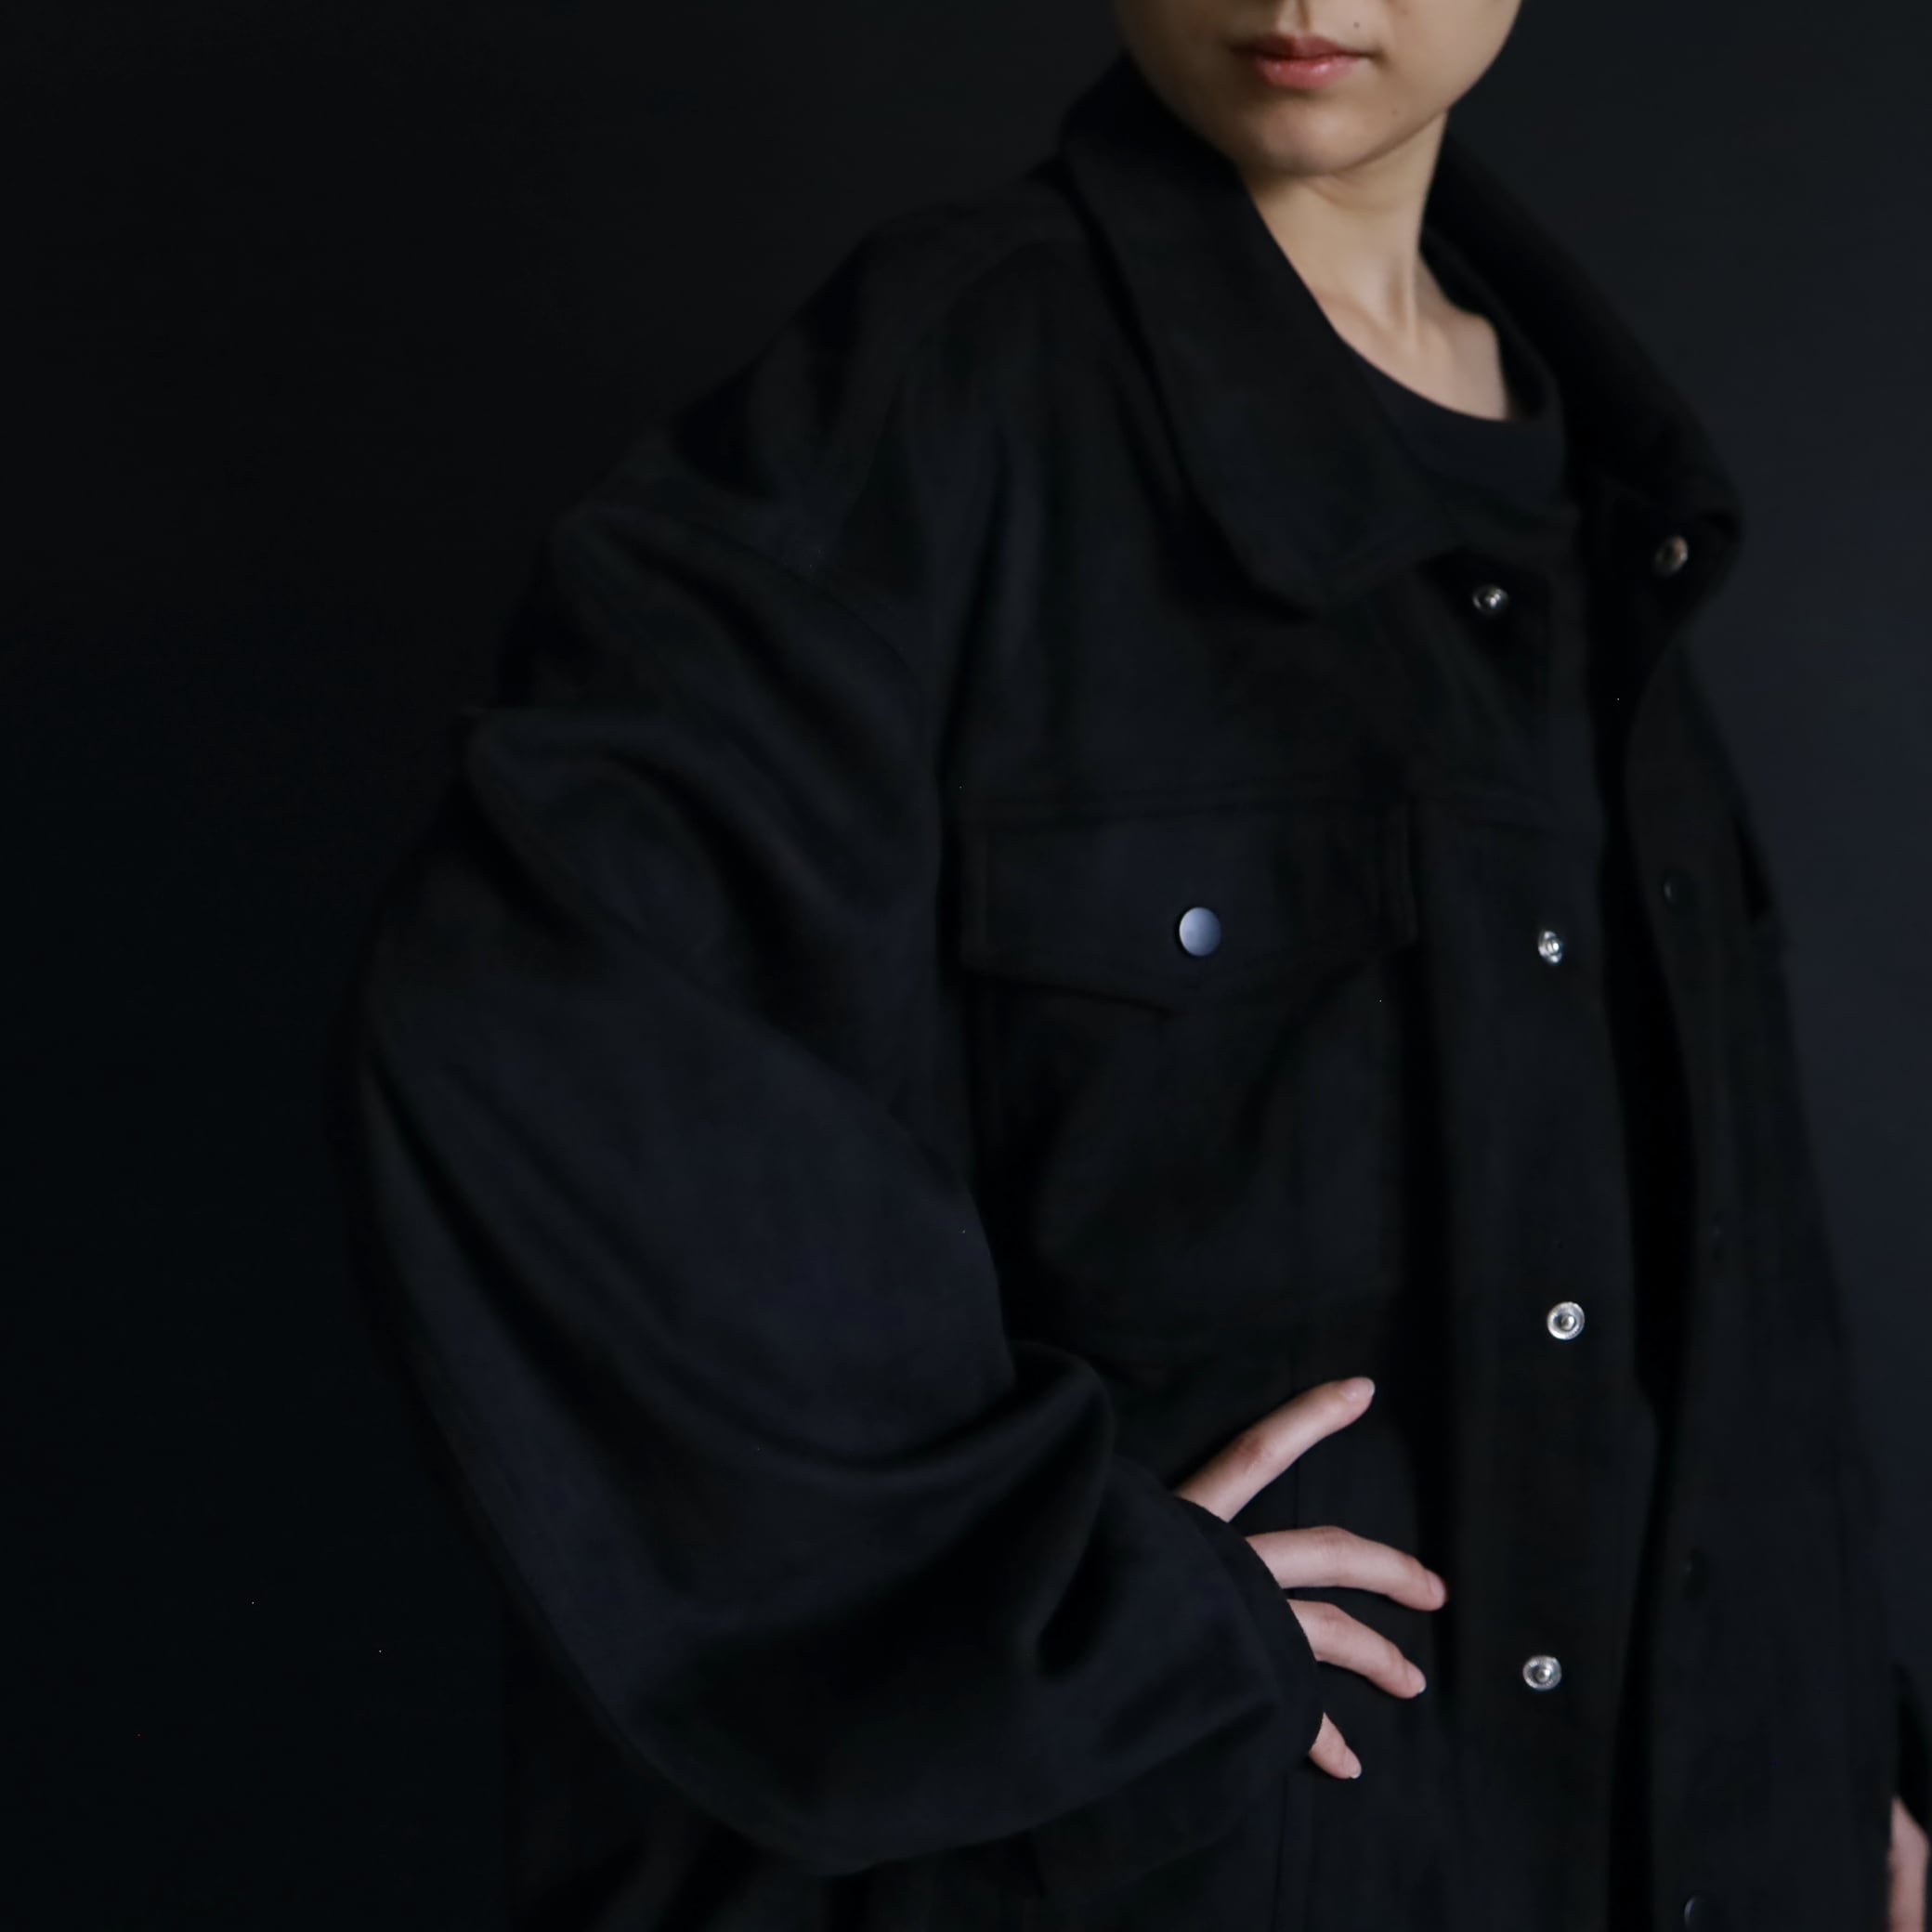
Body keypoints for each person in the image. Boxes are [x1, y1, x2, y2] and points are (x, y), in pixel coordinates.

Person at [323, 4, 1929, 1927]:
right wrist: (1055, 1607)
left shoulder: (1601, 491)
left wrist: (1832, 1751)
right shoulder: (936, 393)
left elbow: (1717, 1274)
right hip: (1172, 1867)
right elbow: (553, 1044)